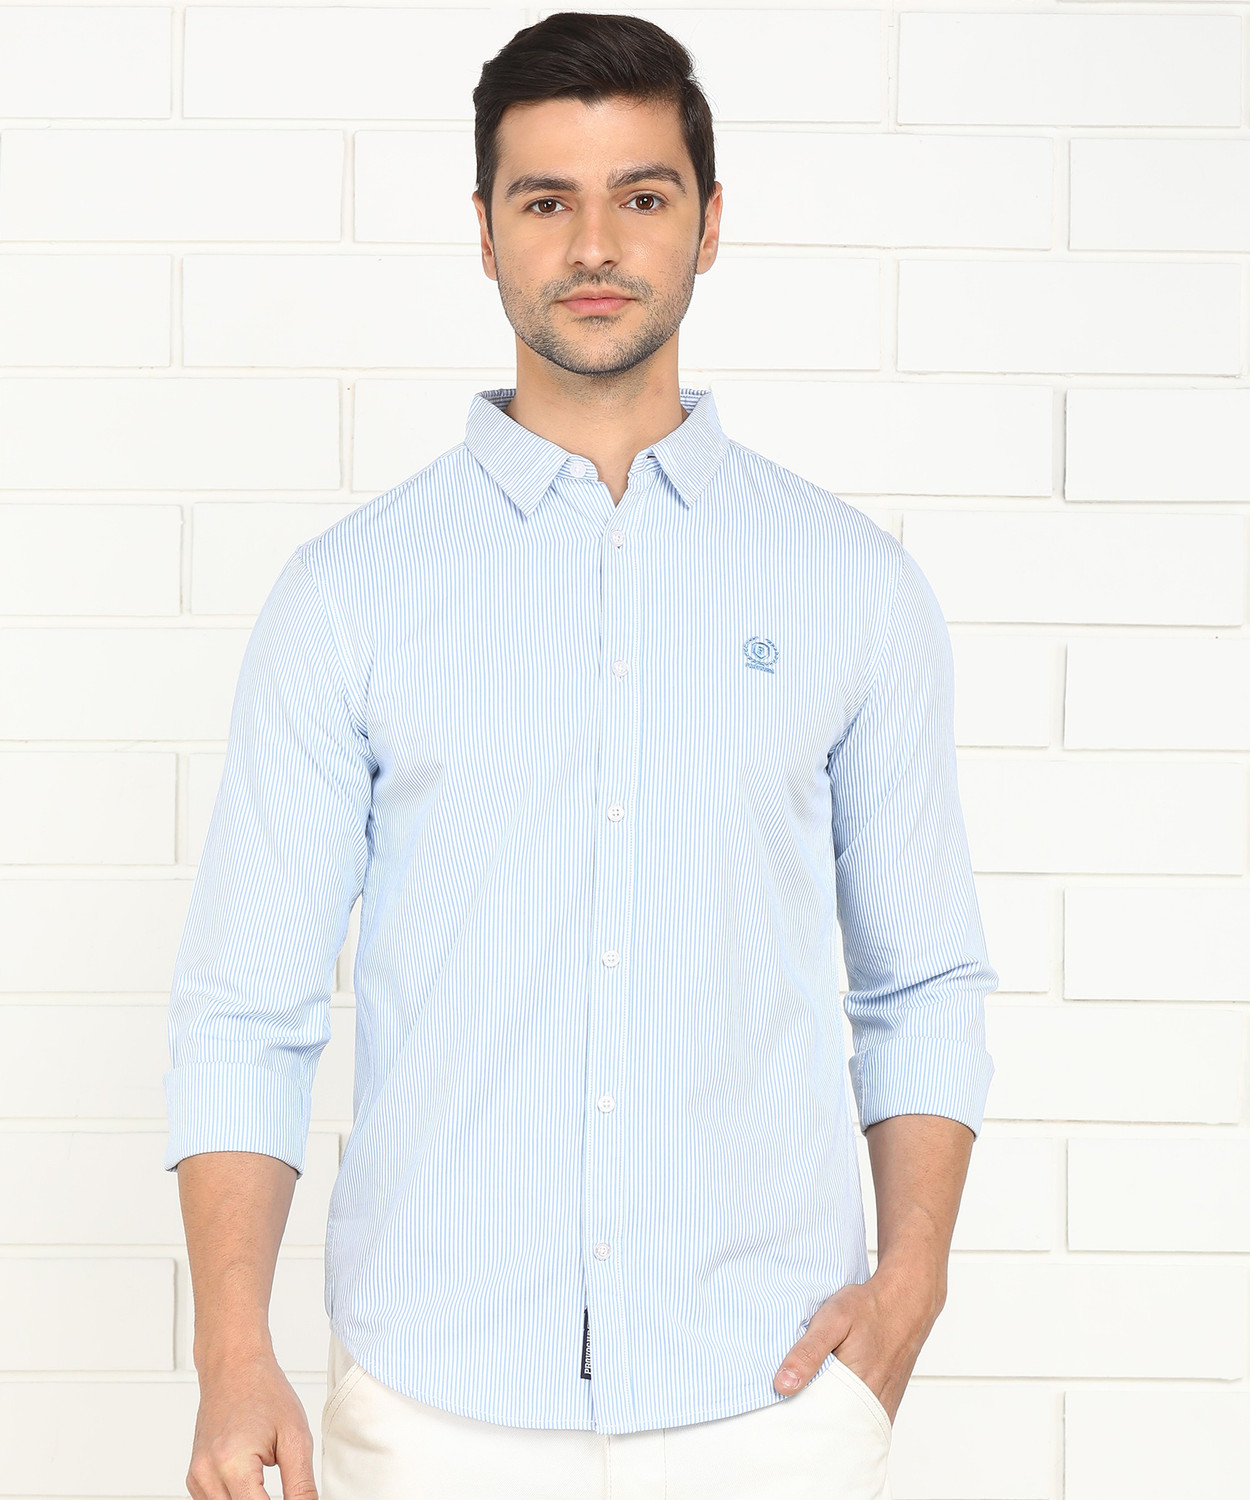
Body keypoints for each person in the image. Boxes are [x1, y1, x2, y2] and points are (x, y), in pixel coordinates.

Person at [163, 12, 997, 1500]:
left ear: (710, 223)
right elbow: (247, 1006)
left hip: (767, 1398)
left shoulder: (849, 586)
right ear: (485, 233)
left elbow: (921, 978)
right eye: (546, 199)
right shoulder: (350, 595)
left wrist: (911, 1284)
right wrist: (235, 1353)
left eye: (642, 194)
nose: (594, 244)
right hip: (430, 1408)